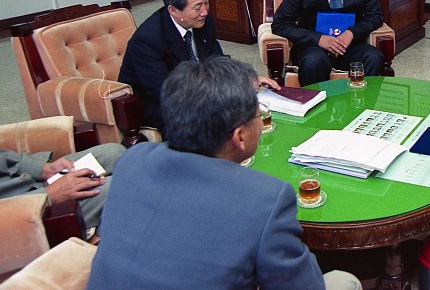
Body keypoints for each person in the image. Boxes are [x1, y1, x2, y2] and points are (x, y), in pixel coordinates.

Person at [87, 57, 360, 290]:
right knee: (343, 280)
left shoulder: (133, 160)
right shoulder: (265, 199)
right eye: (257, 113)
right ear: (240, 136)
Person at [119, 0, 278, 128]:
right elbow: (166, 93)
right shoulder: (148, 39)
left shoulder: (202, 21)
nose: (205, 11)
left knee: (250, 111)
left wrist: (244, 80)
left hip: (194, 92)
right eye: (197, 7)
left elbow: (217, 60)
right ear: (173, 10)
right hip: (162, 106)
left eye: (206, 2)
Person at [1, 142, 125, 230]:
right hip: (18, 215)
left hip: (22, 181)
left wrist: (43, 169)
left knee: (115, 153)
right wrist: (48, 196)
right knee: (120, 188)